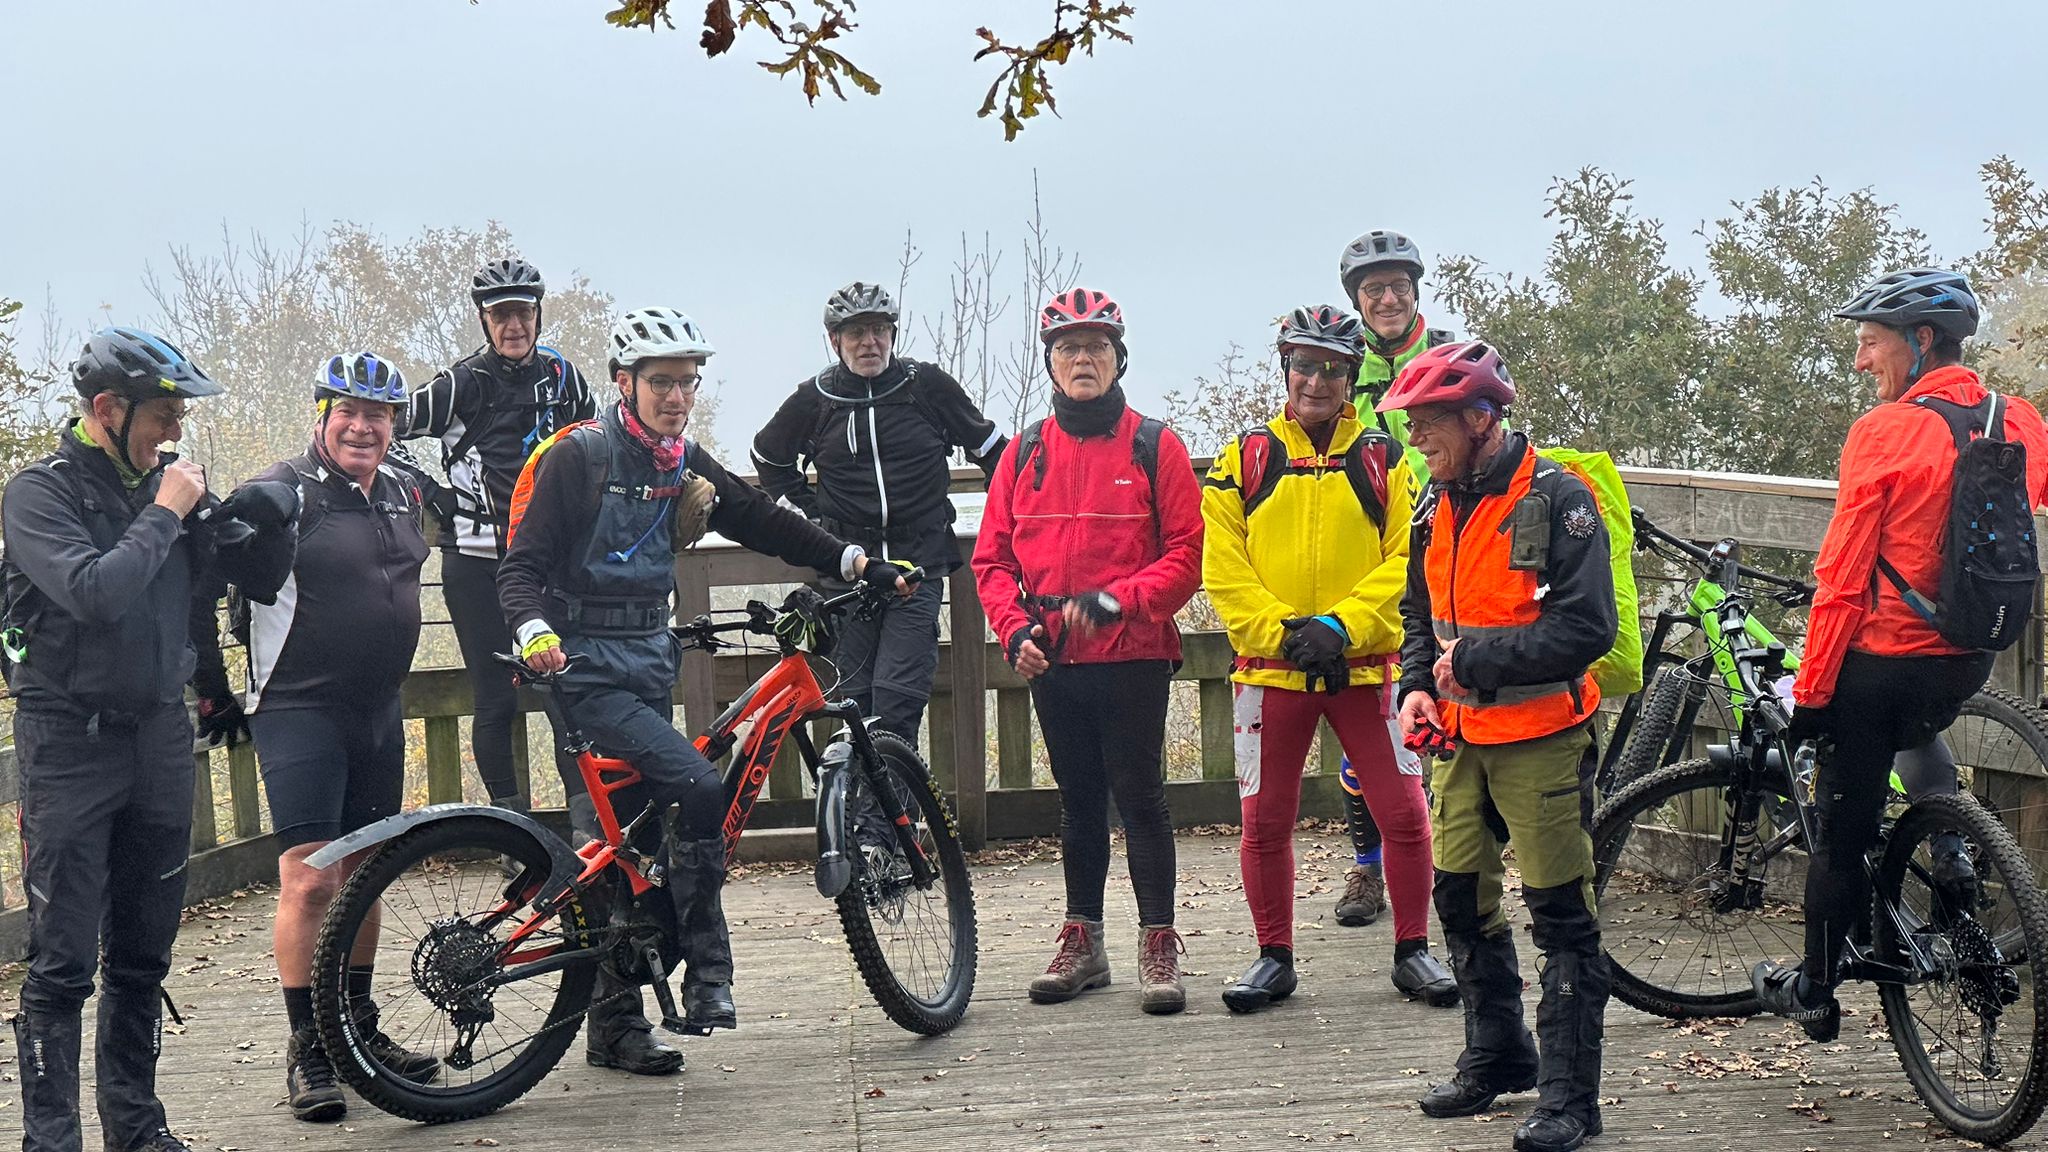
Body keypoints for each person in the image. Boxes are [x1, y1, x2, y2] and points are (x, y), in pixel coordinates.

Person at [498, 306, 907, 1074]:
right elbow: (519, 568)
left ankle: (614, 1028)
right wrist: (534, 630)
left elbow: (761, 519)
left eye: (688, 382)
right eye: (661, 382)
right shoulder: (581, 457)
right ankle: (710, 974)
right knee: (693, 784)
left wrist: (855, 562)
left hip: (647, 666)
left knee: (633, 851)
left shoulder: (679, 459)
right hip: (583, 672)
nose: (677, 397)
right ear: (624, 383)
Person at [1, 328, 296, 1152]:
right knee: (63, 964)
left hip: (161, 738)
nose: (175, 431)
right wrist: (167, 511)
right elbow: (95, 592)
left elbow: (259, 581)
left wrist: (270, 524)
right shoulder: (39, 495)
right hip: (69, 744)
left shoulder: (170, 489)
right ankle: (50, 1141)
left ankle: (136, 1129)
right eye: (163, 414)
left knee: (141, 956)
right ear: (107, 409)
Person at [1752, 268, 2048, 1040]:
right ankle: (1952, 856)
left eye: (1870, 342)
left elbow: (1842, 579)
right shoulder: (2017, 419)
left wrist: (1814, 696)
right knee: (1918, 731)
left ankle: (1816, 991)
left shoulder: (1883, 432)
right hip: (1970, 653)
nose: (1860, 361)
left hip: (1882, 666)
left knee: (1841, 829)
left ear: (1920, 341)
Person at [1383, 341, 1615, 1152]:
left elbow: (1588, 628)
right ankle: (1500, 1054)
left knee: (1561, 915)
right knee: (1458, 896)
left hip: (1542, 738)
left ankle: (1571, 1099)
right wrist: (1417, 684)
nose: (1416, 438)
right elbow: (1419, 614)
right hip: (1459, 737)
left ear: (1481, 418)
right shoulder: (1433, 501)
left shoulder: (1559, 497)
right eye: (1411, 424)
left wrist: (1473, 663)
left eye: (1428, 423)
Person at [1204, 305, 1454, 1015]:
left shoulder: (1385, 458)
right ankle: (1273, 956)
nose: (1316, 382)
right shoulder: (1243, 457)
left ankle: (1413, 949)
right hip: (1271, 670)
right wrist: (1284, 632)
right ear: (1285, 368)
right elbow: (1222, 563)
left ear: (1352, 379)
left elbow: (1407, 559)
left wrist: (1341, 626)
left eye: (1333, 370)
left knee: (1403, 813)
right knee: (1265, 822)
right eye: (1304, 366)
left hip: (1364, 668)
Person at [971, 287, 1203, 1015]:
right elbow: (992, 560)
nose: (1082, 359)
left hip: (1133, 653)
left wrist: (1119, 601)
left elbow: (1187, 556)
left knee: (1140, 798)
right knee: (1077, 802)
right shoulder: (1024, 451)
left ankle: (1158, 941)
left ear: (1117, 359)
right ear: (1050, 363)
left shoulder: (1155, 444)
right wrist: (1013, 631)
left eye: (1096, 347)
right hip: (1054, 659)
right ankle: (1084, 941)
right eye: (1068, 348)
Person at [234, 353, 441, 1121]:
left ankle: (356, 1030)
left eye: (376, 415)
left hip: (377, 709)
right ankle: (309, 1049)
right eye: (347, 412)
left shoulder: (404, 489)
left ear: (393, 425)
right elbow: (213, 573)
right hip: (298, 708)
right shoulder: (281, 491)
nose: (361, 427)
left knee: (365, 874)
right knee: (310, 879)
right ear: (322, 415)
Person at [751, 282, 1007, 742]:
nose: (869, 343)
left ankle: (894, 790)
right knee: (854, 702)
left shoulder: (925, 386)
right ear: (835, 341)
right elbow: (768, 457)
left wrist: (1011, 513)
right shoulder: (817, 398)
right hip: (848, 572)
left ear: (893, 335)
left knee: (897, 701)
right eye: (856, 333)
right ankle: (855, 791)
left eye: (879, 331)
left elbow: (992, 450)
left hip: (919, 566)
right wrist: (809, 521)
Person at [404, 258, 594, 812]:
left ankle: (588, 827)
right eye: (501, 315)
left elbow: (596, 439)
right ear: (484, 321)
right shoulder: (460, 382)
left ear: (538, 315)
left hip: (546, 561)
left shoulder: (563, 376)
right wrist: (430, 491)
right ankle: (513, 829)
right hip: (476, 562)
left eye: (523, 313)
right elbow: (384, 427)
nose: (514, 326)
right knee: (495, 701)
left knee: (565, 695)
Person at [1329, 229, 1458, 928]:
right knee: (1369, 724)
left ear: (1415, 291)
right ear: (1357, 298)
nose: (1387, 299)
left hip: (1447, 541)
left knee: (1452, 703)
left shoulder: (1446, 351)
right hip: (1370, 551)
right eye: (1374, 289)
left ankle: (1453, 860)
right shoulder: (1339, 363)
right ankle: (1368, 869)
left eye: (1398, 287)